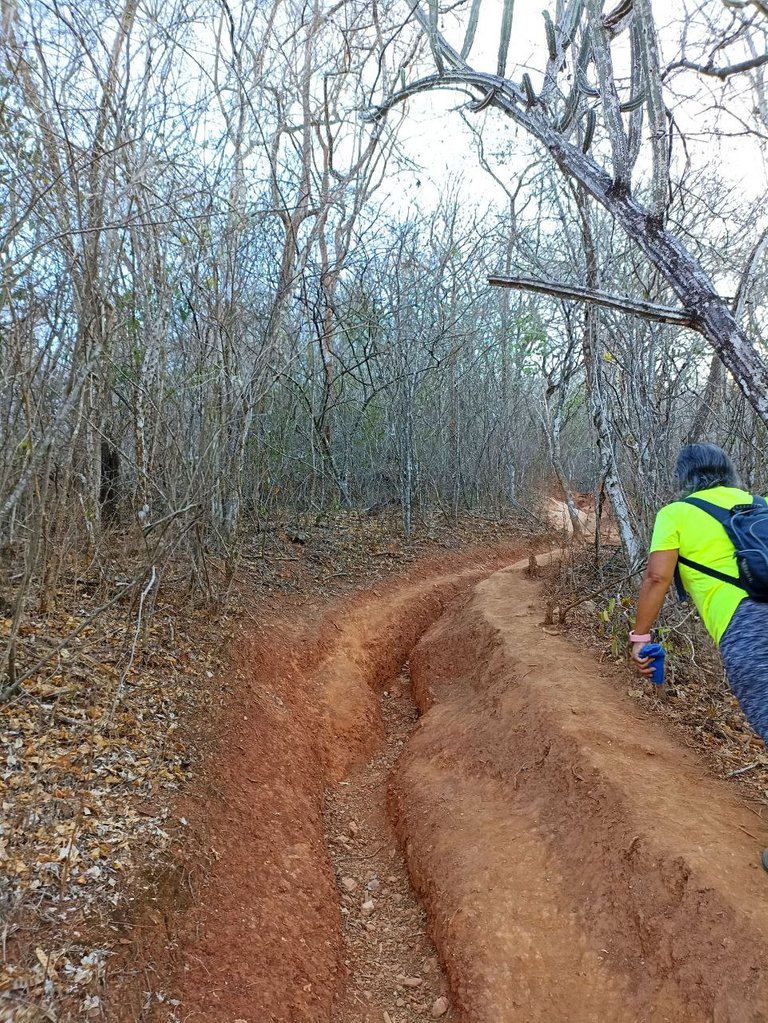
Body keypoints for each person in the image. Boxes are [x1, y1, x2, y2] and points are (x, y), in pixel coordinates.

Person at [629, 442, 768, 868]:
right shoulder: (759, 504)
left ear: (684, 478)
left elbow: (657, 576)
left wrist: (639, 634)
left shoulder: (677, 514)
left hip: (746, 630)